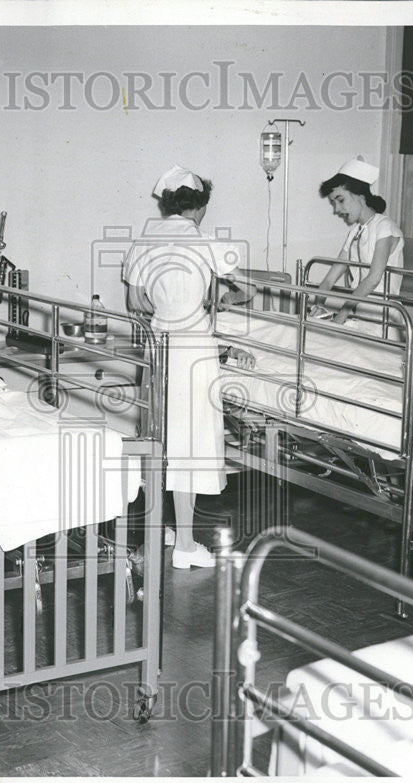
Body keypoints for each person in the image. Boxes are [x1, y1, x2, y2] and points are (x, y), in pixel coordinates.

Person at [123, 165, 255, 569]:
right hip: (194, 347)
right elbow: (247, 289)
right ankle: (184, 544)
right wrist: (223, 301)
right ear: (198, 207)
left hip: (160, 343)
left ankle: (159, 530)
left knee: (159, 436)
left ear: (167, 204)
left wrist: (167, 305)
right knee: (190, 443)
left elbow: (136, 303)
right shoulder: (205, 240)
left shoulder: (144, 240)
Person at [310, 157, 405, 333]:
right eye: (333, 203)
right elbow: (330, 279)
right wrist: (318, 305)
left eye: (340, 200)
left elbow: (373, 279)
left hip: (383, 318)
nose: (337, 209)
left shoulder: (385, 227)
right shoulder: (355, 232)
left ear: (360, 197)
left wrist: (342, 314)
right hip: (361, 314)